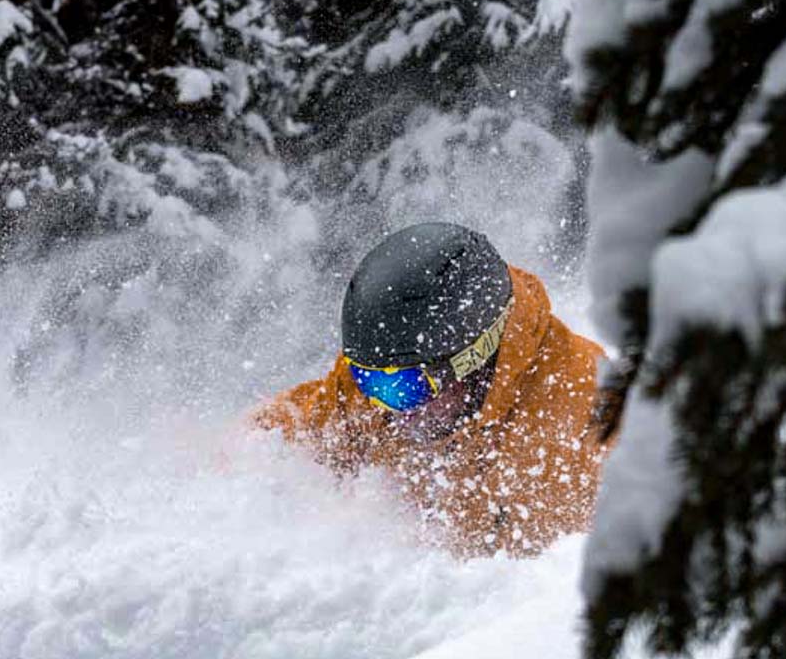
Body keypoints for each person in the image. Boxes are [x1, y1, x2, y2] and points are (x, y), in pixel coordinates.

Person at [253, 222, 609, 556]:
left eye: (407, 387)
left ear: (475, 360)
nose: (391, 408)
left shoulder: (585, 426)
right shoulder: (385, 380)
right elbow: (279, 438)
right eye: (368, 380)